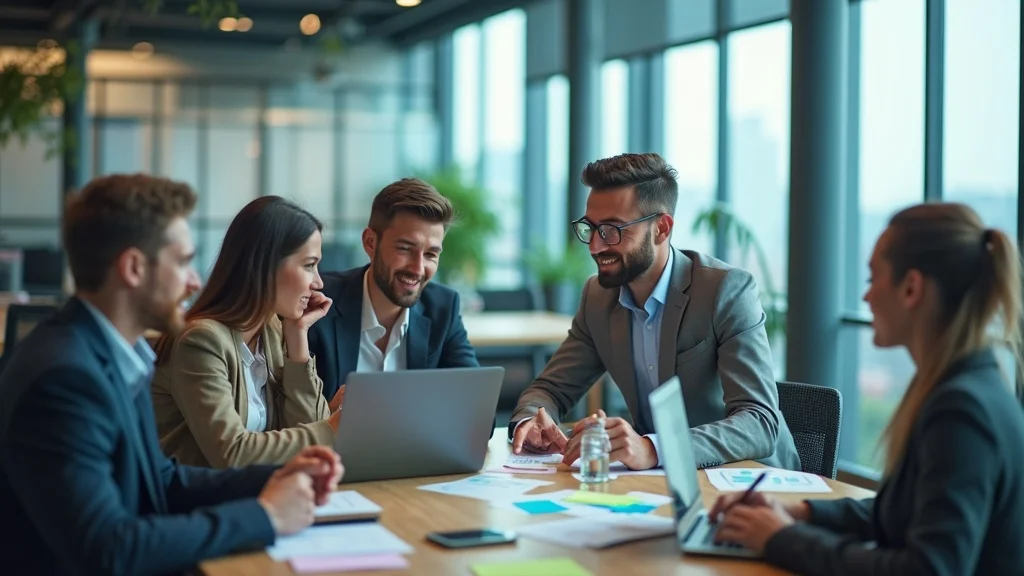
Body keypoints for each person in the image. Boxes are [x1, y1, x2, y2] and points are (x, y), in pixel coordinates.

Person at [0, 174, 344, 575]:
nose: (195, 281)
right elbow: (107, 548)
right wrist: (265, 517)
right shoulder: (65, 379)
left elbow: (162, 480)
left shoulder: (111, 355)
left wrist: (278, 474)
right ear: (132, 268)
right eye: (182, 262)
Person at [709, 203, 1024, 575]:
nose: (866, 296)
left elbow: (929, 568)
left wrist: (783, 538)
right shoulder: (962, 383)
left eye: (873, 279)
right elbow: (904, 511)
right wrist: (801, 511)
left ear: (911, 288)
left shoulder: (961, 411)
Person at [510, 153, 800, 471]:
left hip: (749, 480)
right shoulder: (598, 297)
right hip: (660, 482)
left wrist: (652, 447)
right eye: (590, 229)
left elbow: (759, 422)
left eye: (612, 230)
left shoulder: (726, 291)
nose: (594, 246)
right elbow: (551, 389)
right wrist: (531, 421)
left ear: (661, 229)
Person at [152, 196, 343, 468]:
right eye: (309, 265)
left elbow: (310, 434)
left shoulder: (272, 332)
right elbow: (232, 454)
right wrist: (331, 428)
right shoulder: (200, 341)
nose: (318, 282)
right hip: (200, 503)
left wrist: (298, 336)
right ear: (266, 266)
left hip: (263, 494)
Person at [308, 178, 479, 407]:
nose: (418, 269)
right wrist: (328, 418)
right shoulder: (319, 302)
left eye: (430, 254)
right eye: (405, 249)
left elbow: (478, 411)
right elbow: (289, 417)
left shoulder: (443, 308)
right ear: (370, 243)